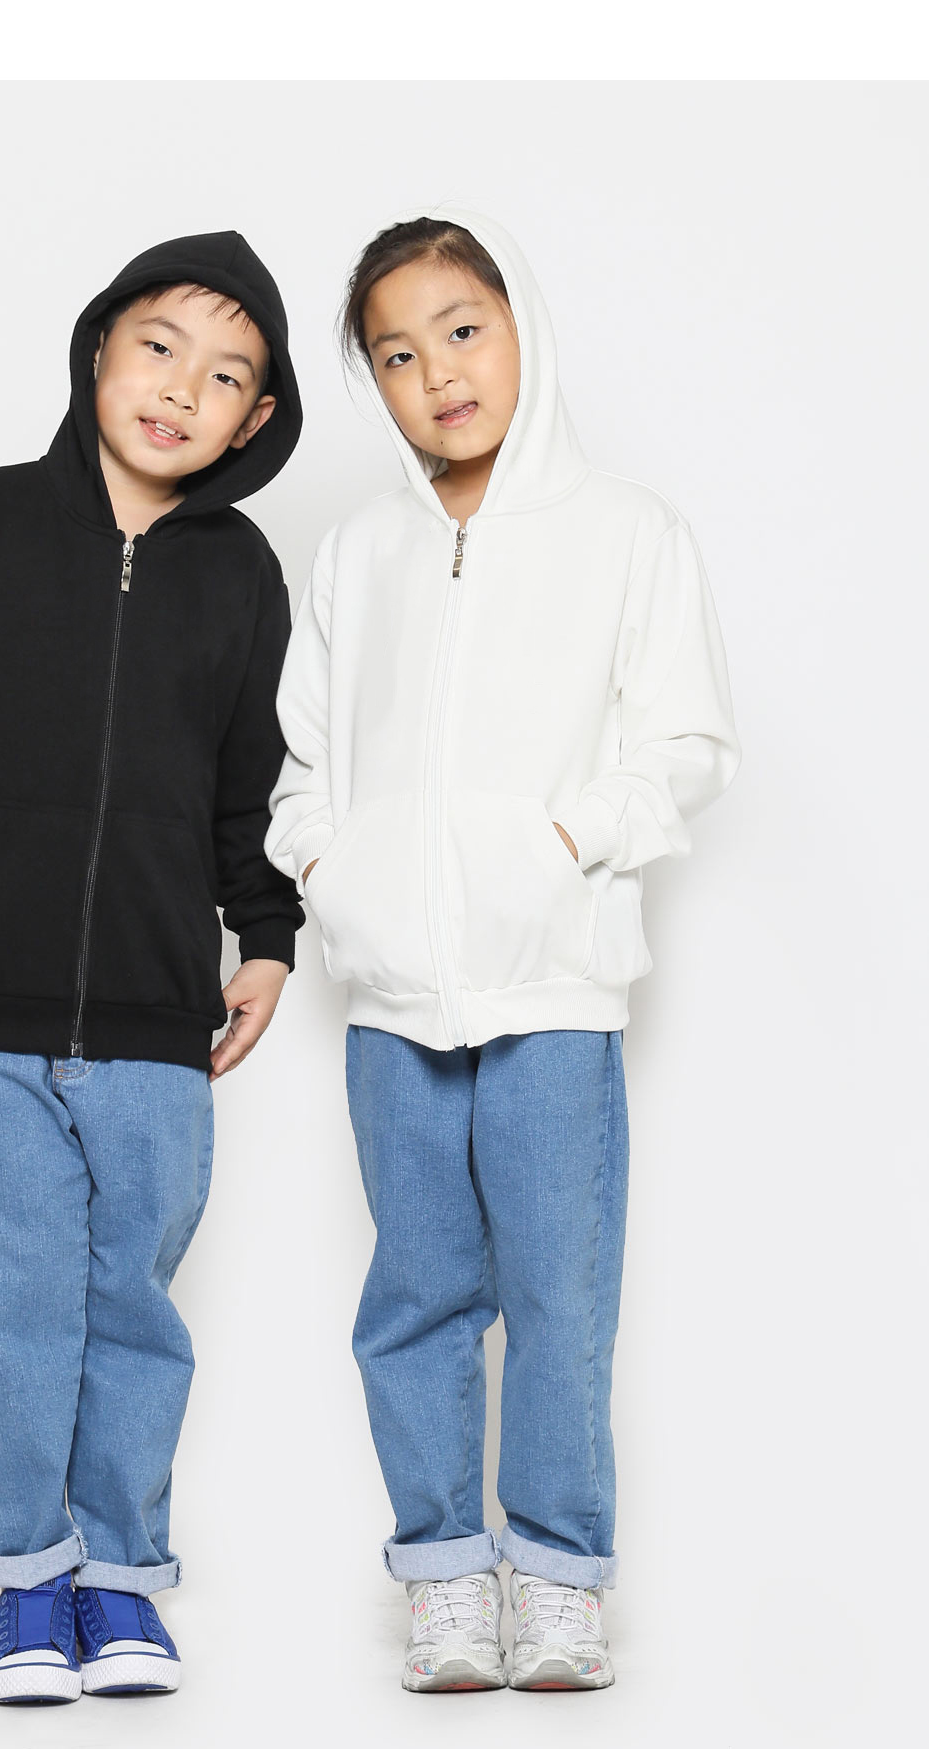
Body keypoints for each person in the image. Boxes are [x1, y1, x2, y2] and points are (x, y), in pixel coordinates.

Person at [0, 230, 304, 1705]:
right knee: (8, 1310)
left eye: (226, 377)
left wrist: (266, 937)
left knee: (135, 1309)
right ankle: (28, 1583)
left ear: (254, 422)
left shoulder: (242, 575)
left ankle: (124, 1583)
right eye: (158, 348)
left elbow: (251, 788)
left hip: (161, 1021)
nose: (181, 390)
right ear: (99, 350)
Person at [266, 206, 740, 1694]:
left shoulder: (627, 531)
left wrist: (561, 843)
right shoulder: (359, 553)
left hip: (554, 989)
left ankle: (558, 1575)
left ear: (522, 323)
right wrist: (332, 869)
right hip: (392, 996)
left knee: (557, 1295)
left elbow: (686, 742)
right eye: (396, 356)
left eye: (462, 331)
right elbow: (299, 765)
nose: (439, 375)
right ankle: (441, 1581)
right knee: (414, 1296)